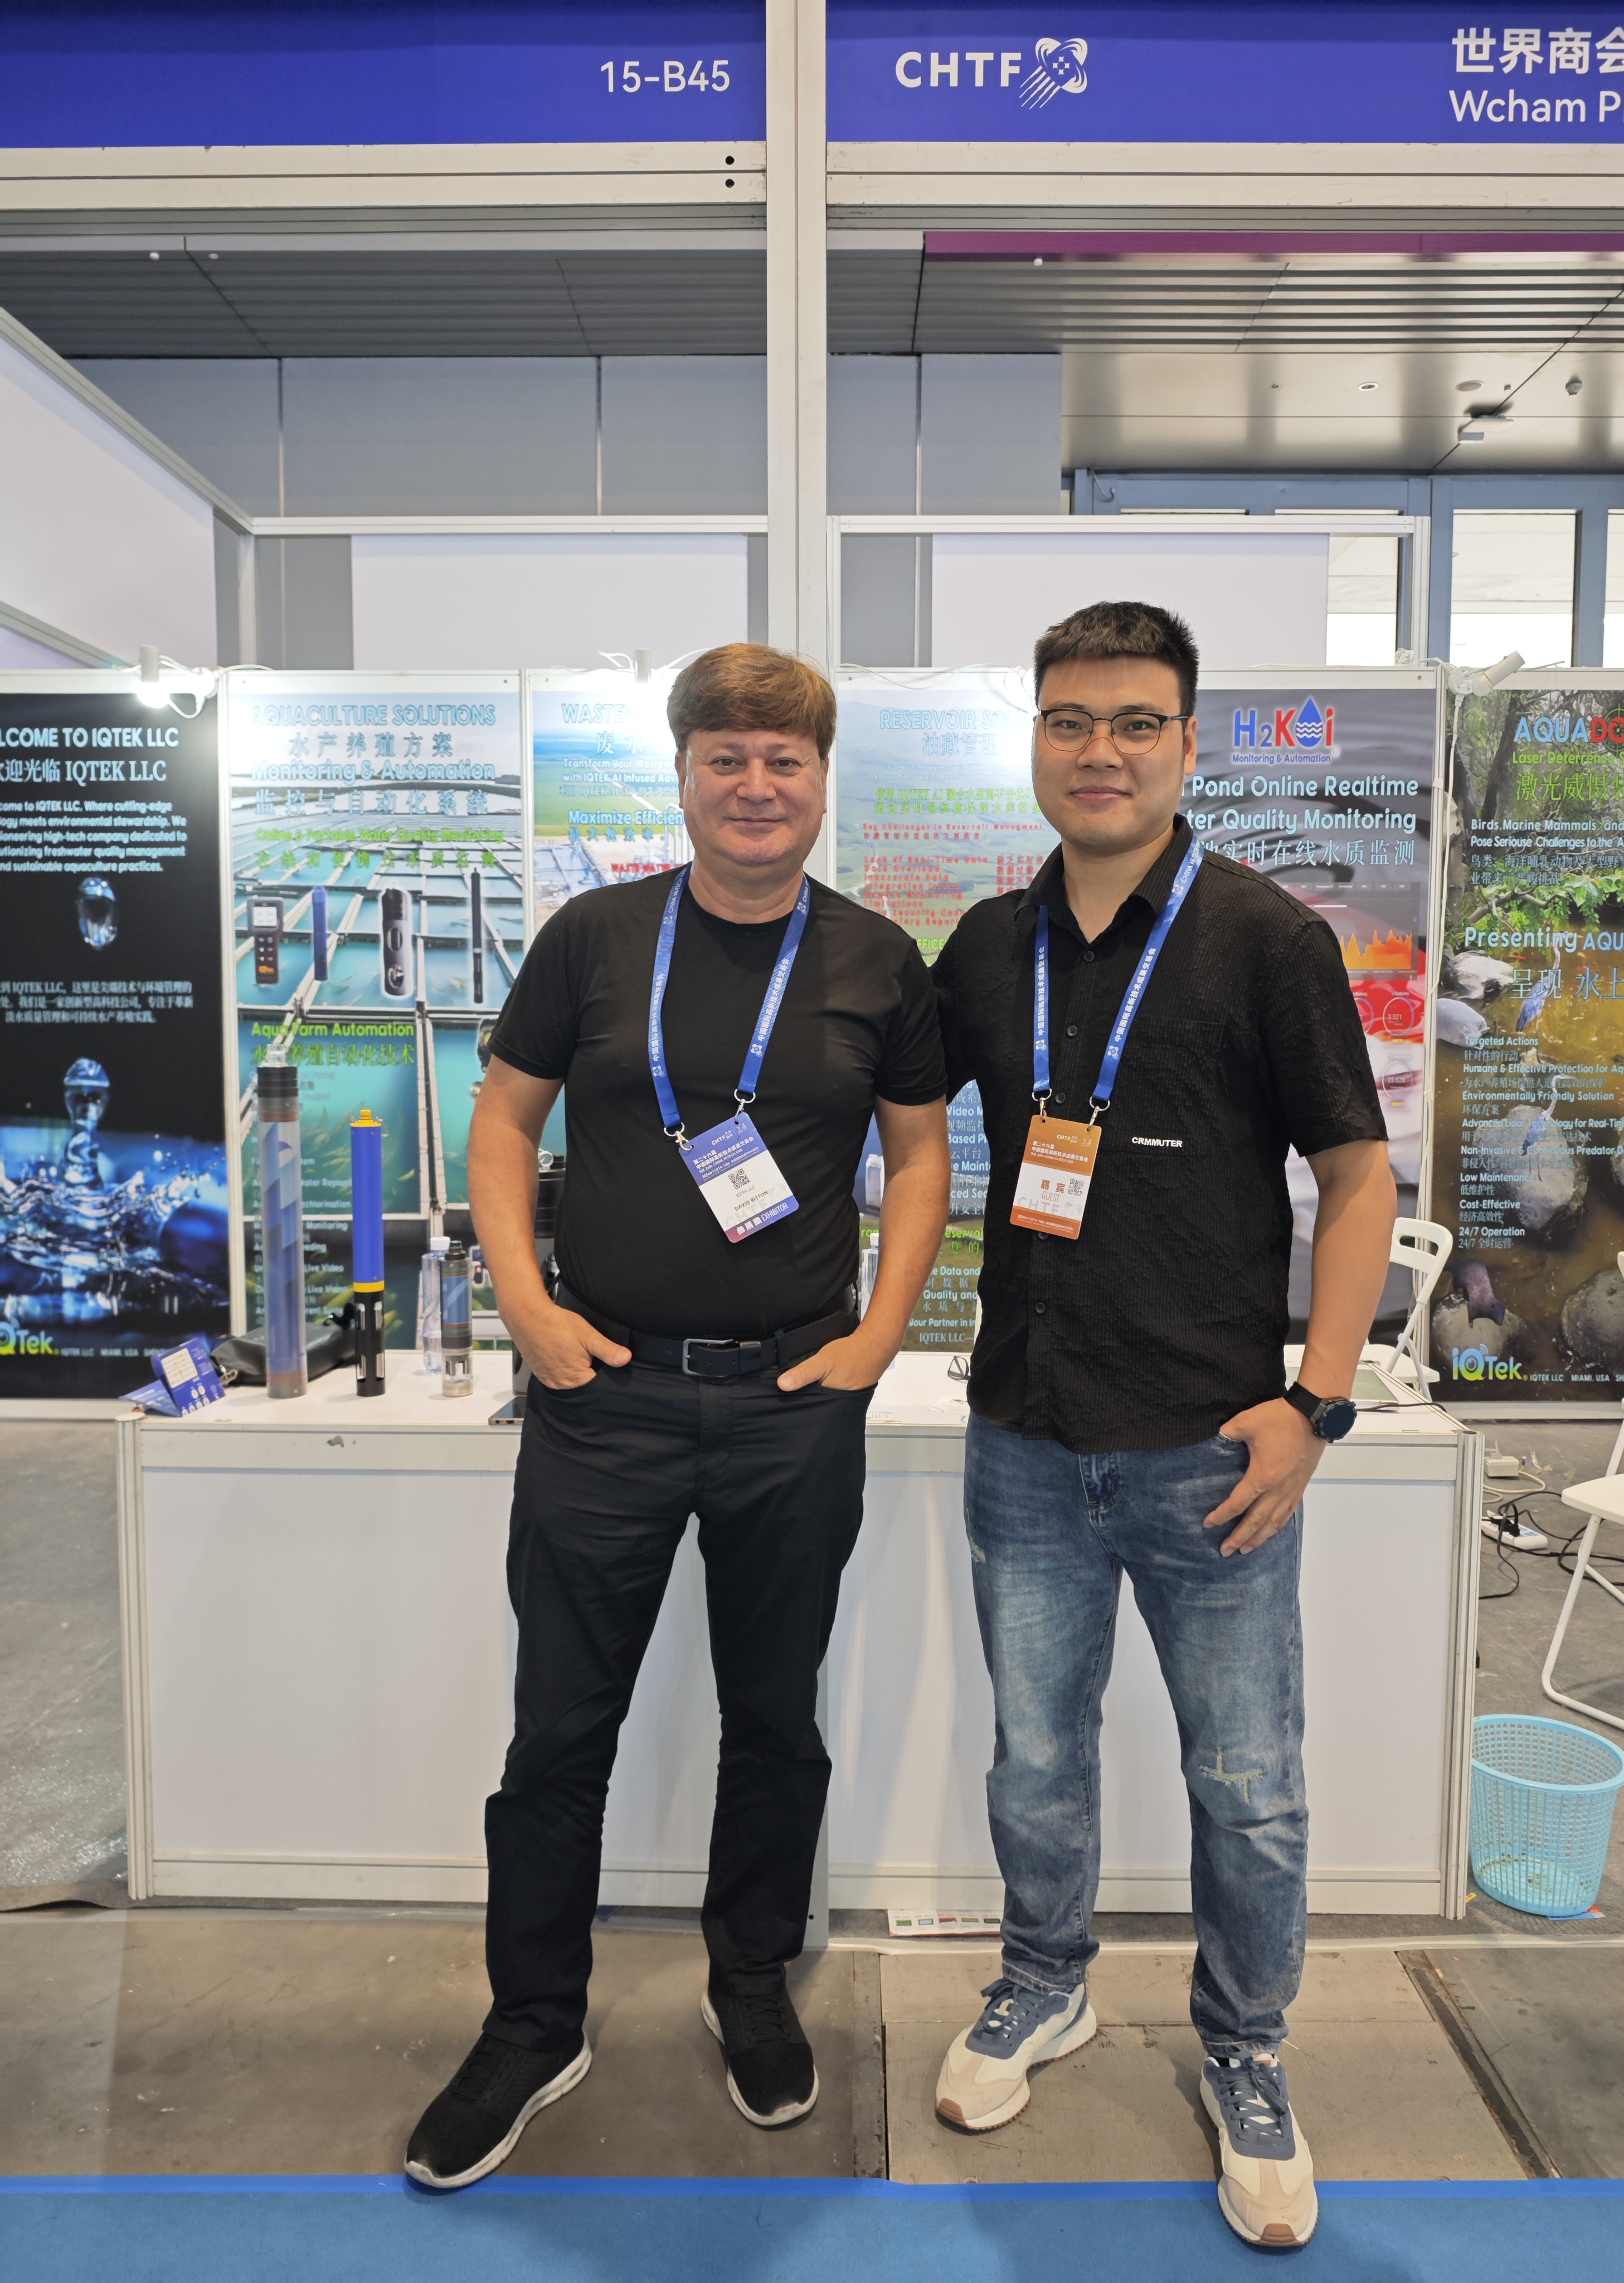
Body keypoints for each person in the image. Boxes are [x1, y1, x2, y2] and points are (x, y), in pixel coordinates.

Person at [407, 644, 950, 2189]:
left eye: (786, 760)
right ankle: (533, 2021)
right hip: (606, 1394)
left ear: (821, 780)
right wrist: (527, 1308)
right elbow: (501, 1124)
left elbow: (919, 1157)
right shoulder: (594, 939)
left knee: (774, 1719)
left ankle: (748, 1979)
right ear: (686, 773)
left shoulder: (875, 961)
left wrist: (879, 1337)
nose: (757, 786)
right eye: (728, 757)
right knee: (559, 1728)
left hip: (792, 1399)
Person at [929, 601, 1394, 2251]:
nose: (1101, 751)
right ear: (1036, 740)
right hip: (1025, 1438)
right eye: (1070, 719)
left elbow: (1358, 1181)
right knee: (1035, 1757)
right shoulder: (989, 949)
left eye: (1136, 722)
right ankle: (1044, 1981)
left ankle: (1248, 2051)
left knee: (1248, 1783)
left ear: (1188, 746)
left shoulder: (1267, 940)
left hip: (1215, 1453)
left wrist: (1316, 1403)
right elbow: (895, 1122)